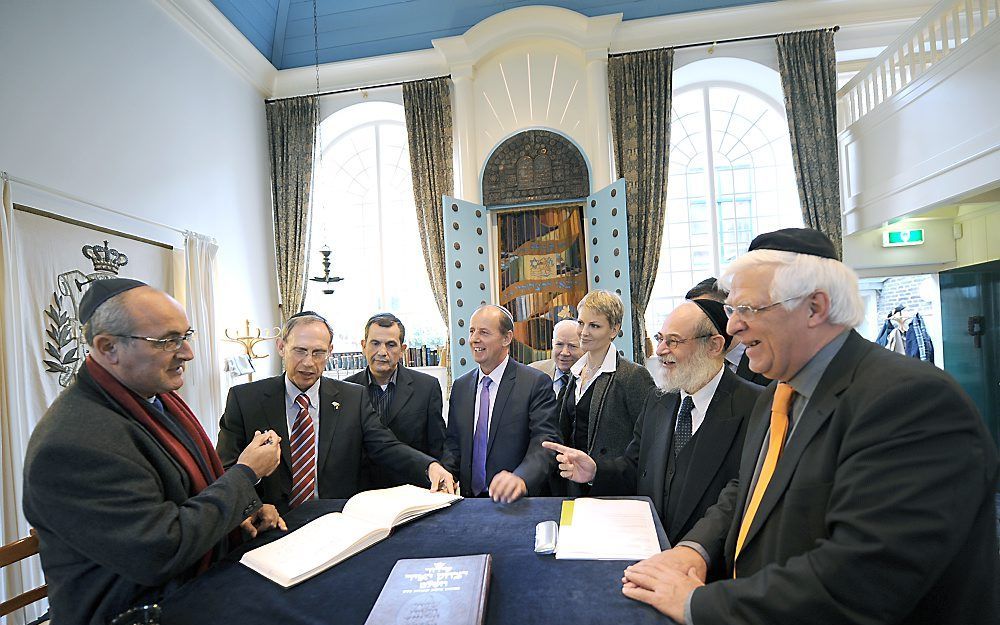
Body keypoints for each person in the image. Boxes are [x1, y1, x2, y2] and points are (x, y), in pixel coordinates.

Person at [622, 228, 1000, 625]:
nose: (732, 328)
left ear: (815, 308)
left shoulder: (911, 401)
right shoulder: (777, 395)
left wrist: (695, 605)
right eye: (732, 312)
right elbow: (749, 490)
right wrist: (694, 549)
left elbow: (863, 578)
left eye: (748, 309)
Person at [23, 279, 284, 625]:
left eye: (185, 335)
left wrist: (237, 514)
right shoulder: (72, 444)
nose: (188, 352)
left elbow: (180, 496)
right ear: (108, 348)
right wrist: (246, 474)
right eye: (167, 341)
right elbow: (162, 549)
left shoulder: (152, 398)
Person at [544, 299, 760, 549]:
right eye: (660, 339)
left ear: (714, 345)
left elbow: (744, 495)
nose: (659, 351)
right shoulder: (658, 402)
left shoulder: (756, 405)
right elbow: (634, 466)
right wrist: (595, 471)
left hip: (711, 562)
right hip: (652, 549)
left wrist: (694, 550)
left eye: (674, 341)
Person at [217, 311, 455, 513]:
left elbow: (386, 446)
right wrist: (253, 507)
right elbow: (225, 469)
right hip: (271, 525)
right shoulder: (245, 400)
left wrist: (430, 466)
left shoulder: (352, 397)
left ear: (330, 351)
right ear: (281, 347)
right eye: (300, 351)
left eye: (318, 353)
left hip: (338, 523)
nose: (309, 363)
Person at [441, 304, 560, 503]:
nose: (474, 339)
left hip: (516, 503)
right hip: (468, 504)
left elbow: (545, 442)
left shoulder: (534, 383)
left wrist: (521, 478)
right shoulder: (461, 387)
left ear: (506, 338)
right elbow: (453, 443)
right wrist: (447, 475)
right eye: (472, 331)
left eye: (484, 332)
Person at [552, 291, 654, 495]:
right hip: (573, 486)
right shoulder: (575, 373)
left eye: (594, 325)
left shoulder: (633, 376)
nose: (584, 332)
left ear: (614, 329)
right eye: (581, 323)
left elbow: (648, 441)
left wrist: (603, 472)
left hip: (613, 488)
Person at [345, 312, 446, 489]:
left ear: (402, 350)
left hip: (413, 491)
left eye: (391, 345)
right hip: (361, 495)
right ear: (363, 346)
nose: (382, 352)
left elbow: (438, 445)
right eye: (375, 343)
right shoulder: (347, 390)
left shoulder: (427, 387)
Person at [686, 276, 769, 386]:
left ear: (729, 311)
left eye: (703, 316)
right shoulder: (700, 367)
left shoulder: (768, 357)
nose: (695, 326)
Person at [528, 318, 585, 398]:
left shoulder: (592, 378)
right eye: (559, 344)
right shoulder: (532, 373)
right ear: (552, 344)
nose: (564, 352)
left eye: (572, 346)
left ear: (584, 347)